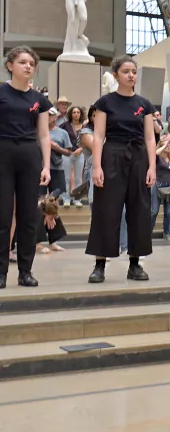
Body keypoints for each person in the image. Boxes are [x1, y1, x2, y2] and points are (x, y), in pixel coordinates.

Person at [86, 55, 156, 283]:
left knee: (139, 210)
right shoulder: (105, 102)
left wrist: (152, 167)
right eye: (126, 71)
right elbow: (98, 135)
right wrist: (96, 166)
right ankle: (99, 264)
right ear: (116, 75)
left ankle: (135, 264)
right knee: (106, 210)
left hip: (138, 157)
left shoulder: (144, 104)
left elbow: (149, 137)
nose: (131, 75)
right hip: (112, 154)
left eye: (134, 71)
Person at [0, 46, 53, 288]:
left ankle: (25, 271)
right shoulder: (1, 93)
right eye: (22, 62)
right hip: (3, 154)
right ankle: (1, 272)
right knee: (2, 215)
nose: (28, 66)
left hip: (30, 157)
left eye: (31, 63)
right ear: (10, 66)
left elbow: (43, 135)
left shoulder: (39, 99)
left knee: (28, 216)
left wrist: (46, 166)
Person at [151, 135, 170, 240]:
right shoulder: (158, 158)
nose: (167, 146)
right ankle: (148, 231)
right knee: (154, 211)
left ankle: (166, 233)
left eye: (168, 144)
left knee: (168, 212)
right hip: (158, 185)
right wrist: (165, 143)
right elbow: (154, 153)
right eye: (165, 144)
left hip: (169, 186)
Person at [46, 108, 74, 206]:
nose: (47, 117)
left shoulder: (63, 133)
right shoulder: (39, 131)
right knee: (39, 197)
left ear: (55, 117)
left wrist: (57, 148)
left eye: (50, 115)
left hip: (56, 167)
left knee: (54, 198)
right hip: (40, 168)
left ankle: (54, 219)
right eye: (46, 115)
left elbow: (68, 152)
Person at [65, 105, 86, 206]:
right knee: (67, 177)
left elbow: (89, 139)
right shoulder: (65, 125)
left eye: (78, 112)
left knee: (79, 178)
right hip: (68, 154)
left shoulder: (84, 126)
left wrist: (81, 149)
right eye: (74, 112)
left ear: (81, 114)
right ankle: (66, 199)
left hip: (80, 153)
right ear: (71, 114)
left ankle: (77, 199)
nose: (76, 114)